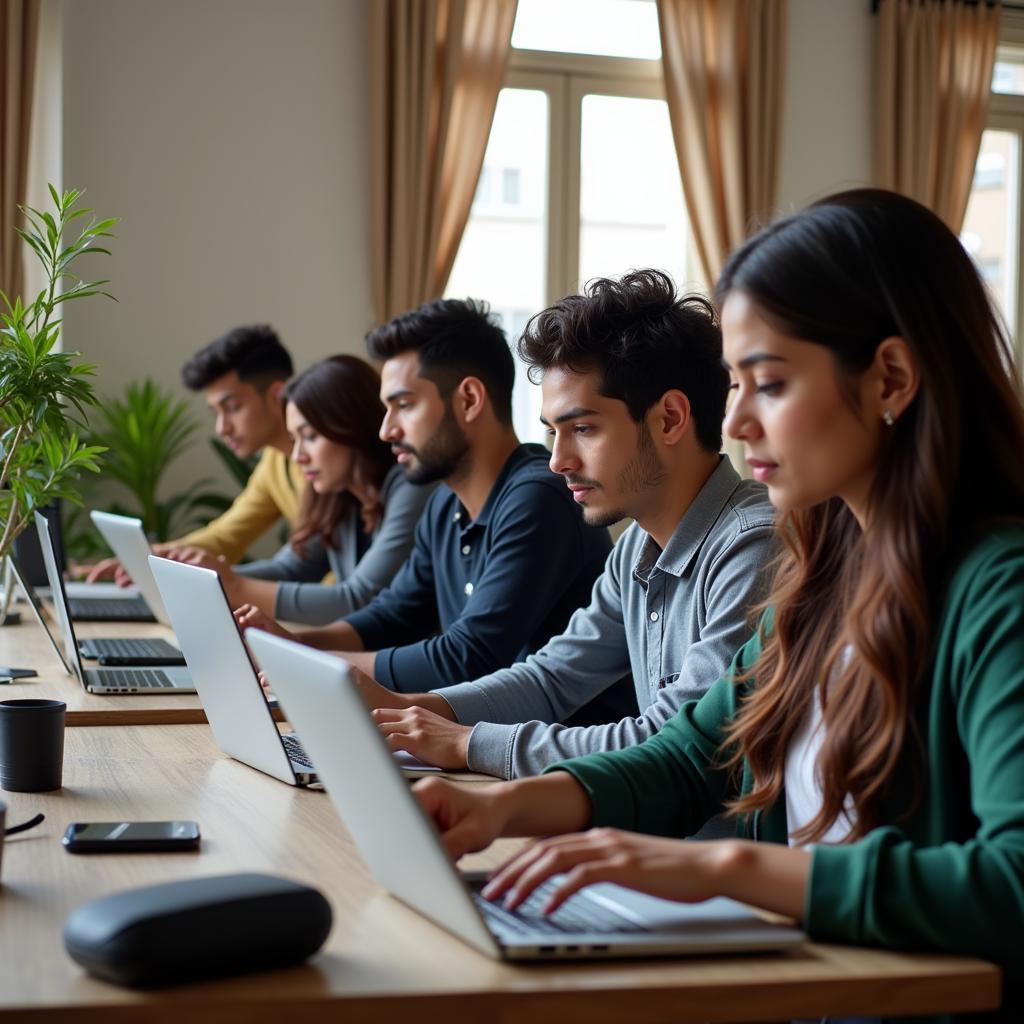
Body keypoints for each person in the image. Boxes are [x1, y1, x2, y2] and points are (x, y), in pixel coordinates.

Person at [407, 190, 1024, 1014]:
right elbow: (690, 755)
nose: (733, 420)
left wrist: (727, 870)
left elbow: (1012, 880)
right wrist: (506, 808)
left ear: (892, 378)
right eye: (734, 383)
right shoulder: (823, 572)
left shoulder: (999, 586)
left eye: (766, 383)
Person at [355, 270, 775, 783]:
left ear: (669, 418)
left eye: (582, 428)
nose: (557, 461)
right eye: (553, 433)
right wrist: (421, 709)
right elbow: (553, 678)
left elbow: (673, 742)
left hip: (699, 856)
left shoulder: (754, 545)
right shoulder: (636, 548)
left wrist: (468, 743)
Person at [237, 297, 613, 692]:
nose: (386, 430)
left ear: (469, 400)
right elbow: (393, 615)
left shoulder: (538, 498)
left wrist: (311, 663)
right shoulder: (445, 504)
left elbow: (467, 657)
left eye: (404, 405)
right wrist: (292, 645)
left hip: (550, 749)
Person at [171, 355, 436, 624]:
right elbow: (295, 567)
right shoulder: (337, 494)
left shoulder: (412, 486)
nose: (298, 456)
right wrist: (211, 576)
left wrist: (233, 585)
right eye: (293, 439)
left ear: (353, 425)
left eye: (310, 436)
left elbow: (359, 598)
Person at [87, 324, 303, 580]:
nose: (222, 429)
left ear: (276, 396)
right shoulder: (275, 462)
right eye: (216, 413)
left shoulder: (329, 463)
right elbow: (225, 536)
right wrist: (149, 557)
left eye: (233, 407)